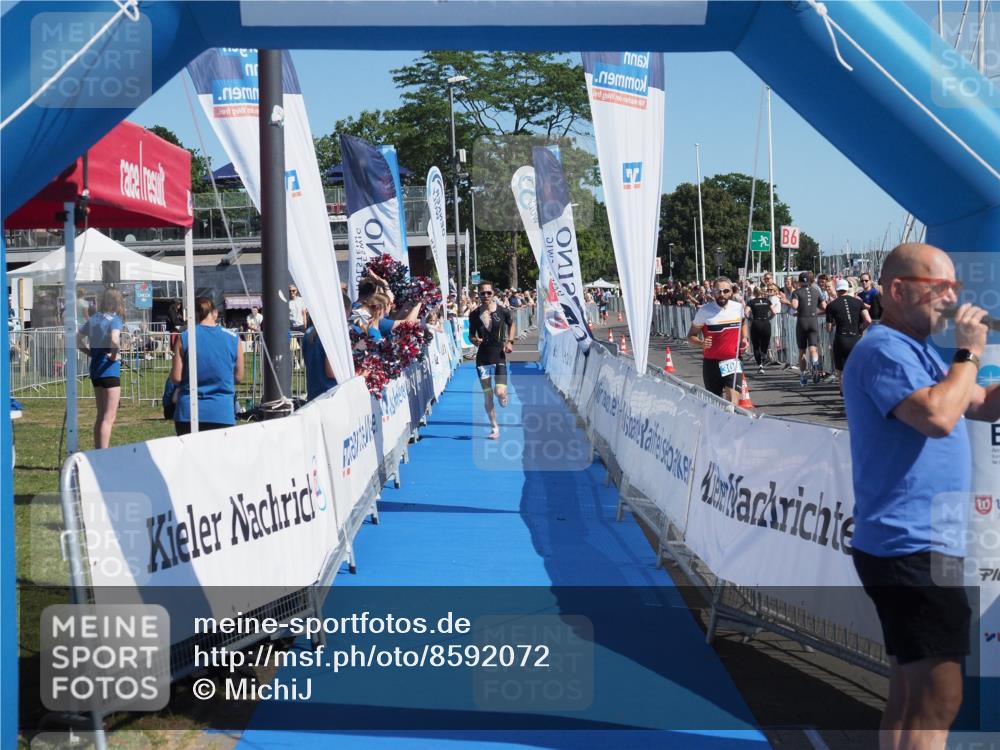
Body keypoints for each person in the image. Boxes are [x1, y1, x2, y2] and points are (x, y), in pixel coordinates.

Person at [843, 243, 1000, 750]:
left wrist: (968, 363)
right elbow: (937, 416)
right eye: (942, 288)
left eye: (956, 287)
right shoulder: (882, 349)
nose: (953, 298)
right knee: (940, 696)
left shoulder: (918, 352)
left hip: (925, 544)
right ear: (898, 290)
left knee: (910, 691)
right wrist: (970, 350)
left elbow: (980, 405)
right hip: (910, 546)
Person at [170, 296, 244, 435]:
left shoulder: (184, 337)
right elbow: (239, 377)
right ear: (215, 313)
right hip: (222, 411)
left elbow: (176, 377)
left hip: (188, 411)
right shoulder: (233, 338)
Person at [686, 277, 749, 405]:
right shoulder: (705, 311)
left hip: (732, 360)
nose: (722, 295)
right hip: (711, 363)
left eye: (725, 291)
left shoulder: (738, 307)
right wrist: (701, 343)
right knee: (716, 404)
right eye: (718, 291)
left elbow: (743, 323)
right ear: (713, 292)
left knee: (732, 404)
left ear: (731, 292)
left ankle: (732, 423)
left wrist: (744, 338)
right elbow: (691, 336)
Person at [76, 288, 124, 449]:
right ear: (117, 303)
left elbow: (77, 339)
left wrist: (90, 353)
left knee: (100, 414)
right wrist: (112, 356)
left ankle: (98, 451)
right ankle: (104, 453)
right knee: (109, 417)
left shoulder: (94, 319)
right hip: (110, 370)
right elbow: (115, 340)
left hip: (95, 370)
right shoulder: (115, 319)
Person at [468, 280, 516, 439]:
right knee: (488, 395)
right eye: (483, 293)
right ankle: (494, 428)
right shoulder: (474, 314)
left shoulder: (503, 311)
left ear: (493, 293)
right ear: (479, 295)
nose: (486, 296)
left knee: (499, 391)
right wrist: (474, 340)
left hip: (499, 355)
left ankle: (503, 395)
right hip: (482, 359)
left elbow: (512, 324)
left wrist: (510, 341)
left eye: (489, 293)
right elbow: (471, 335)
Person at [825, 279, 871, 393]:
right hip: (856, 337)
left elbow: (829, 328)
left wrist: (834, 323)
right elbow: (868, 320)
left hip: (841, 338)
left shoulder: (831, 305)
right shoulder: (858, 302)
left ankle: (843, 391)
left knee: (840, 368)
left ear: (837, 289)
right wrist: (860, 329)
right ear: (847, 289)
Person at [791, 271, 824, 386]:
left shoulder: (796, 292)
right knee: (813, 349)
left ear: (799, 282)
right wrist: (815, 311)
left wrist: (791, 304)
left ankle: (803, 375)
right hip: (813, 321)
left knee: (802, 351)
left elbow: (795, 306)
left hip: (802, 322)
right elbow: (824, 306)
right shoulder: (816, 291)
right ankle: (815, 363)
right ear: (810, 281)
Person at [744, 286, 774, 373]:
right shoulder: (767, 301)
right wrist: (769, 318)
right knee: (765, 342)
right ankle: (764, 354)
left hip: (756, 323)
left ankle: (760, 365)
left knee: (756, 345)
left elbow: (746, 313)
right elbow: (774, 312)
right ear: (762, 292)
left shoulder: (751, 302)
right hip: (766, 322)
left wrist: (750, 319)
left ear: (754, 293)